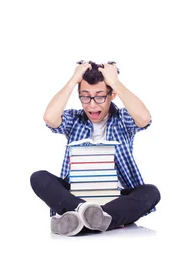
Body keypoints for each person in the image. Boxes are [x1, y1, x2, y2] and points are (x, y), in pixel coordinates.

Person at [30, 61, 161, 236]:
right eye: (85, 96)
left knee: (151, 192)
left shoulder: (123, 119)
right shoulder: (74, 119)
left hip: (115, 198)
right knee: (38, 177)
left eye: (100, 96)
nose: (92, 105)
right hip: (76, 194)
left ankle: (85, 219)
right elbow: (50, 118)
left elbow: (144, 119)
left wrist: (115, 82)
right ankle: (90, 214)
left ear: (111, 94)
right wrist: (73, 80)